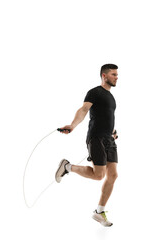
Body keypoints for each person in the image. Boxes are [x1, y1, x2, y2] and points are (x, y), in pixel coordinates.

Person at [55, 64, 119, 227]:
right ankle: (67, 167)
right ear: (104, 76)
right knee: (99, 176)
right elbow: (84, 110)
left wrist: (112, 132)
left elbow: (107, 116)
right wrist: (72, 125)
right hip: (96, 137)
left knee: (112, 175)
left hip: (108, 139)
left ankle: (99, 212)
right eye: (113, 74)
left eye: (117, 74)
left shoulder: (111, 98)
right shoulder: (95, 92)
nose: (116, 77)